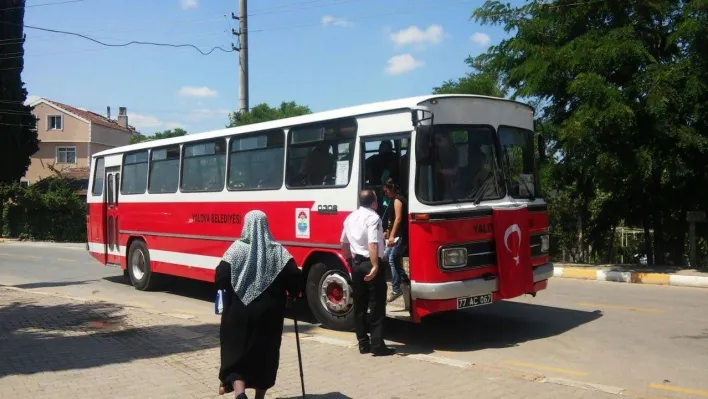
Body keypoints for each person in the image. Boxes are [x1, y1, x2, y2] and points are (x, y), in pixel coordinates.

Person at [215, 210, 302, 399]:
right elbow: (295, 277)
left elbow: (221, 275)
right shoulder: (278, 251)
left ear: (245, 226)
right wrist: (294, 293)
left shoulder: (236, 249)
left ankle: (240, 393)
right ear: (266, 226)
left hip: (238, 314)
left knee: (236, 352)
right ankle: (259, 397)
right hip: (269, 316)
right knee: (265, 355)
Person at [340, 190, 396, 357]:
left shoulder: (350, 217)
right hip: (369, 264)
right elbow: (373, 243)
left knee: (360, 305)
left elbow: (343, 242)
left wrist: (350, 262)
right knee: (377, 304)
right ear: (374, 203)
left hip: (356, 265)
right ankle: (378, 345)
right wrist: (375, 265)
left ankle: (363, 343)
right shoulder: (374, 218)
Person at [382, 178, 411, 302]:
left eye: (386, 190)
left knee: (392, 258)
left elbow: (398, 218)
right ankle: (403, 278)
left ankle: (396, 288)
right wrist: (388, 233)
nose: (385, 193)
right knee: (388, 255)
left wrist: (392, 236)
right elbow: (392, 220)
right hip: (396, 234)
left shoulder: (398, 200)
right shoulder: (393, 200)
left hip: (400, 235)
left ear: (391, 189)